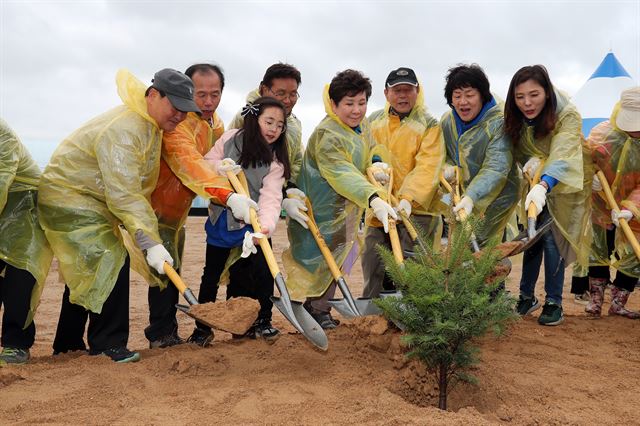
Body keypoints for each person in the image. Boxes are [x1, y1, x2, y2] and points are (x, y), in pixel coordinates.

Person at [38, 68, 201, 363]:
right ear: (153, 95)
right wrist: (149, 241)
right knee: (111, 257)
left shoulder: (148, 124)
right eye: (175, 106)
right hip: (70, 197)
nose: (180, 115)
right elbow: (124, 194)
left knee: (87, 268)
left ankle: (67, 344)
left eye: (185, 110)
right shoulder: (126, 130)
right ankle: (107, 344)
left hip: (93, 201)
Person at [140, 64, 253, 349]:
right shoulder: (178, 123)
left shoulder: (215, 123)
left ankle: (169, 330)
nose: (208, 101)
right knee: (164, 271)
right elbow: (191, 164)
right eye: (201, 94)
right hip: (158, 207)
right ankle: (162, 333)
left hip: (181, 209)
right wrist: (227, 196)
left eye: (215, 94)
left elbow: (214, 162)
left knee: (173, 264)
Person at [283, 69, 396, 329]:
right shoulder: (328, 134)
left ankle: (321, 308)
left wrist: (376, 162)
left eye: (361, 103)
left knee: (340, 259)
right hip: (322, 211)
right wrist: (372, 197)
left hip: (346, 209)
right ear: (334, 104)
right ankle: (316, 309)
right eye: (349, 104)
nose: (356, 110)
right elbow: (342, 173)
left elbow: (367, 153)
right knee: (322, 260)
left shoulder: (361, 127)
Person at [192, 97, 289, 343]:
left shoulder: (275, 161)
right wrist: (219, 167)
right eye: (269, 121)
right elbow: (206, 163)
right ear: (254, 119)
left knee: (263, 273)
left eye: (280, 125)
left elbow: (270, 197)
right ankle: (202, 327)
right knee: (211, 275)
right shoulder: (231, 138)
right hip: (221, 221)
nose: (274, 129)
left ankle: (262, 321)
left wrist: (264, 230)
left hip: (251, 226)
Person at [504, 65, 592, 326]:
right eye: (520, 97)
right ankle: (526, 296)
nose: (527, 103)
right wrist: (533, 173)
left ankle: (554, 301)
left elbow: (564, 154)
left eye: (534, 95)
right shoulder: (514, 118)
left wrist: (545, 184)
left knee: (554, 241)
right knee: (532, 238)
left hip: (566, 183)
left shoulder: (567, 114)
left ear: (547, 92)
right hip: (534, 184)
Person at [362, 67, 445, 298]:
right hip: (380, 208)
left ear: (417, 92)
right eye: (397, 90)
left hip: (416, 210)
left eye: (408, 90)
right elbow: (364, 155)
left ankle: (415, 310)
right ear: (386, 93)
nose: (402, 96)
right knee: (373, 260)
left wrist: (408, 198)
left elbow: (428, 166)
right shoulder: (373, 121)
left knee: (414, 267)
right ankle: (372, 313)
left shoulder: (429, 124)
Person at [440, 64, 520, 254]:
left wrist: (472, 196)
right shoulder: (447, 122)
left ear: (482, 95)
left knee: (490, 253)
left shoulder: (499, 123)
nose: (463, 102)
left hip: (497, 197)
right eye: (457, 95)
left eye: (469, 94)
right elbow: (442, 155)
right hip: (461, 199)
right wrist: (447, 167)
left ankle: (497, 284)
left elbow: (496, 167)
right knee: (461, 253)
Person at [228, 63, 309, 229]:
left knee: (262, 245)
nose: (288, 100)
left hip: (268, 207)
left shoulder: (293, 124)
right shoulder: (246, 118)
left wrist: (290, 189)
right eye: (281, 93)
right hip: (237, 206)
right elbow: (226, 157)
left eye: (293, 94)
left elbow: (295, 160)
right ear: (264, 89)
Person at [0, 119, 53, 365]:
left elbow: (2, 181)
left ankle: (16, 344)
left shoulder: (3, 135)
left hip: (27, 210)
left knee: (20, 278)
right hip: (4, 213)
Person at [585, 86, 640, 319]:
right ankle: (595, 301)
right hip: (600, 204)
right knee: (598, 250)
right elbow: (584, 160)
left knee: (632, 254)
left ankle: (618, 302)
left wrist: (630, 209)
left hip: (631, 212)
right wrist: (590, 179)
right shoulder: (602, 133)